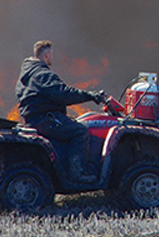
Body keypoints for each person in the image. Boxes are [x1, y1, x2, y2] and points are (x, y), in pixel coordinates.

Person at [15, 40, 107, 184]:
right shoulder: (42, 74)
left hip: (35, 118)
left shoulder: (27, 73)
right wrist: (91, 96)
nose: (53, 57)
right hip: (45, 119)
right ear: (47, 55)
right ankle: (77, 174)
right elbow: (64, 94)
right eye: (52, 54)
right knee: (80, 132)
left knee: (72, 124)